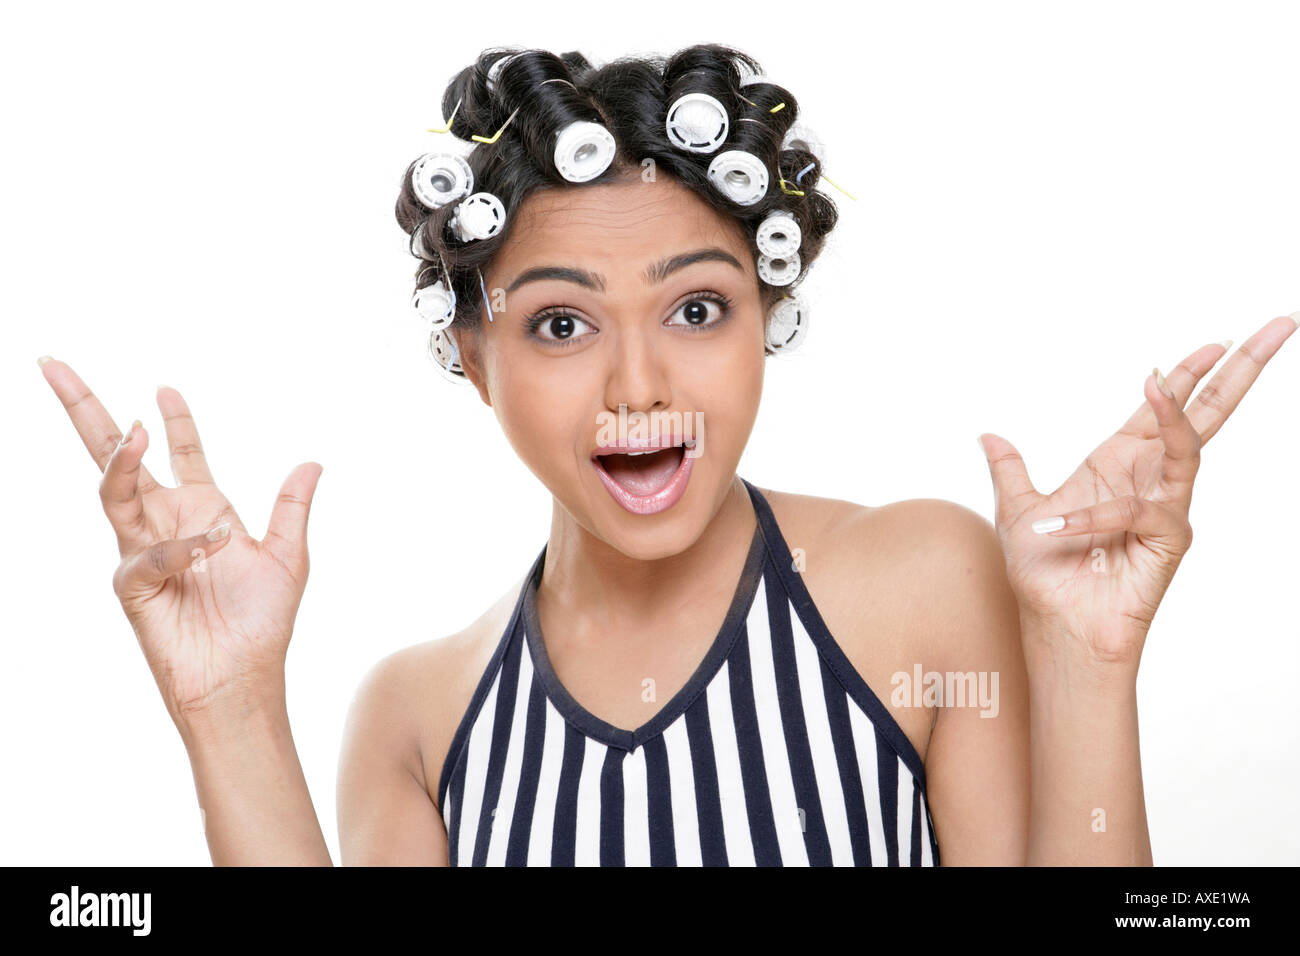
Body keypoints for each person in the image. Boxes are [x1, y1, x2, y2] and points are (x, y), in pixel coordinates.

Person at [36, 43, 1298, 866]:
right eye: (561, 323)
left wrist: (1083, 664)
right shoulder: (418, 719)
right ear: (474, 359)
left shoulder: (918, 582)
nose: (639, 387)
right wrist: (230, 711)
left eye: (696, 309)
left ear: (764, 322)